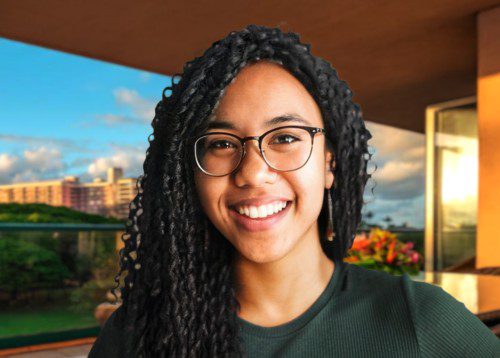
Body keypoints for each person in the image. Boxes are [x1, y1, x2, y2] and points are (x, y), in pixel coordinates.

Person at [88, 24, 500, 358]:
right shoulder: (133, 339)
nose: (253, 173)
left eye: (285, 138)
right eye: (221, 143)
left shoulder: (422, 322)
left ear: (329, 164)